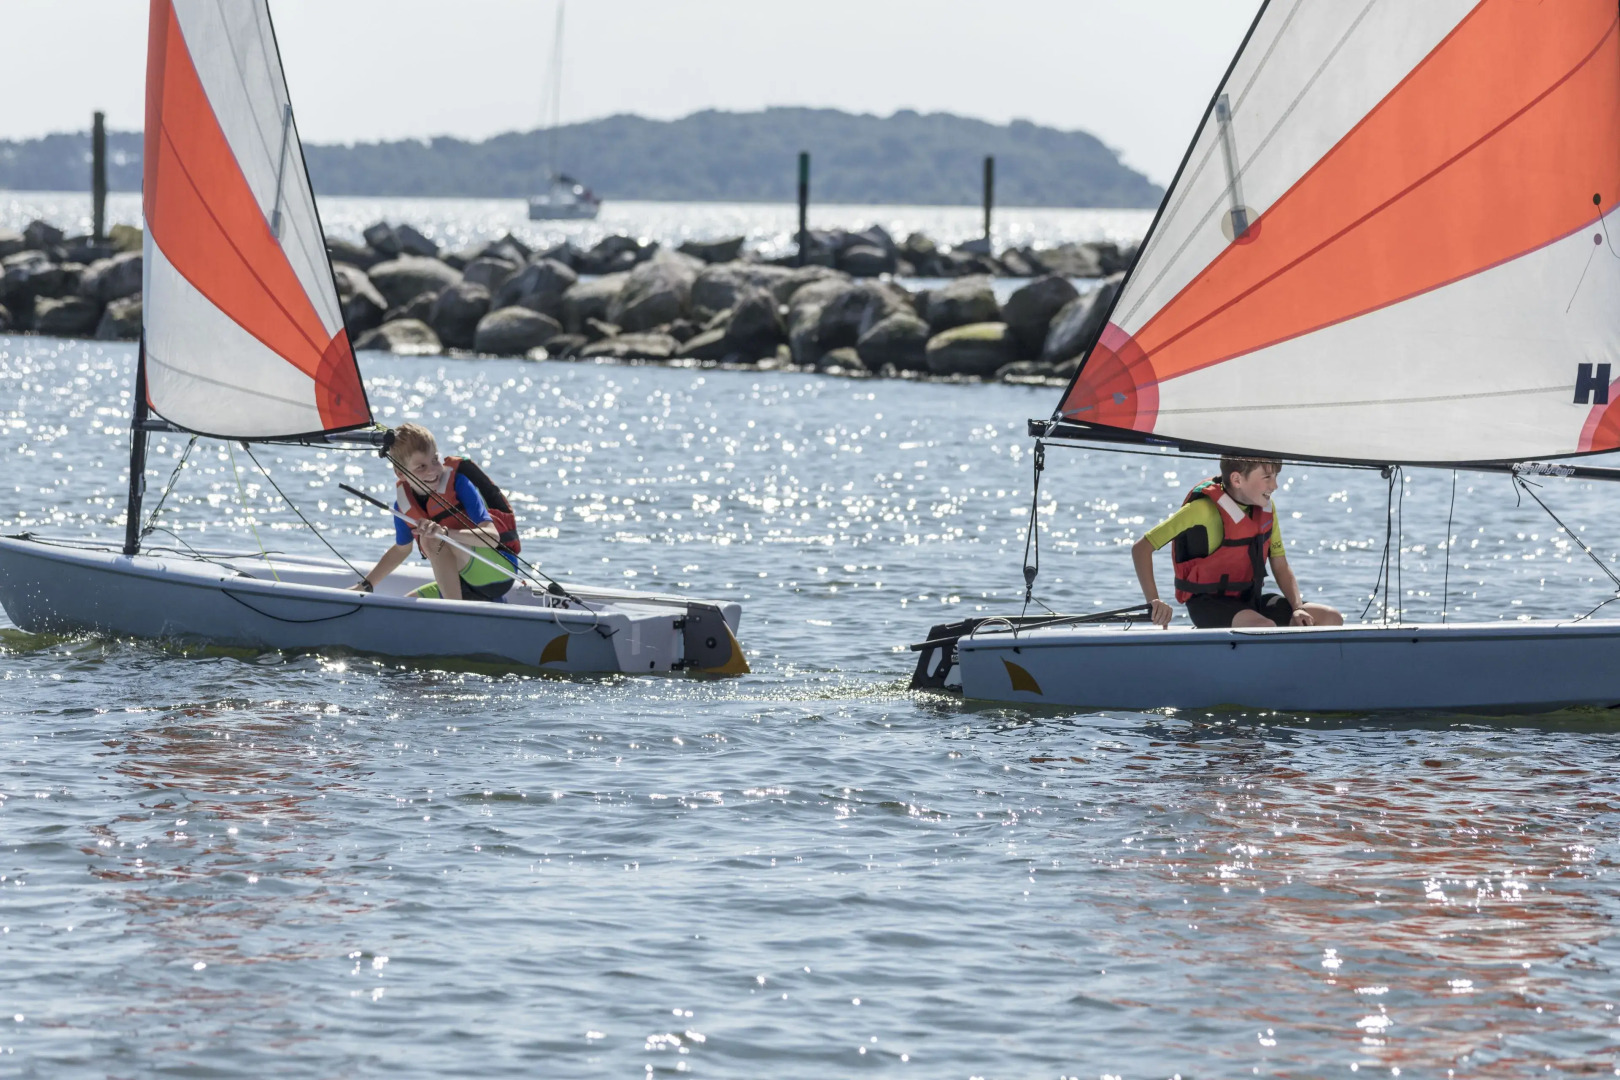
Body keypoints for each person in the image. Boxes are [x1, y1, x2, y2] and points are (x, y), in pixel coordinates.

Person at [1131, 454, 1343, 630]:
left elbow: (1280, 564)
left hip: (1250, 602)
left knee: (1329, 618)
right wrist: (1154, 601)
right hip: (1208, 606)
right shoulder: (1201, 510)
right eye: (1267, 477)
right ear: (1237, 479)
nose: (1275, 485)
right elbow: (1141, 549)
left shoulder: (1267, 509)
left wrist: (1297, 606)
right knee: (1264, 627)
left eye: (1276, 476)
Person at [350, 424, 519, 602]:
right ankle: (476, 606)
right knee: (405, 611)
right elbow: (401, 550)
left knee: (430, 538)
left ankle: (456, 612)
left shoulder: (459, 484)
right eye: (421, 467)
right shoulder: (403, 505)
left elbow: (492, 537)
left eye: (434, 460)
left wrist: (445, 533)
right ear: (400, 473)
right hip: (464, 582)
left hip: (497, 572)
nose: (432, 470)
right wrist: (365, 585)